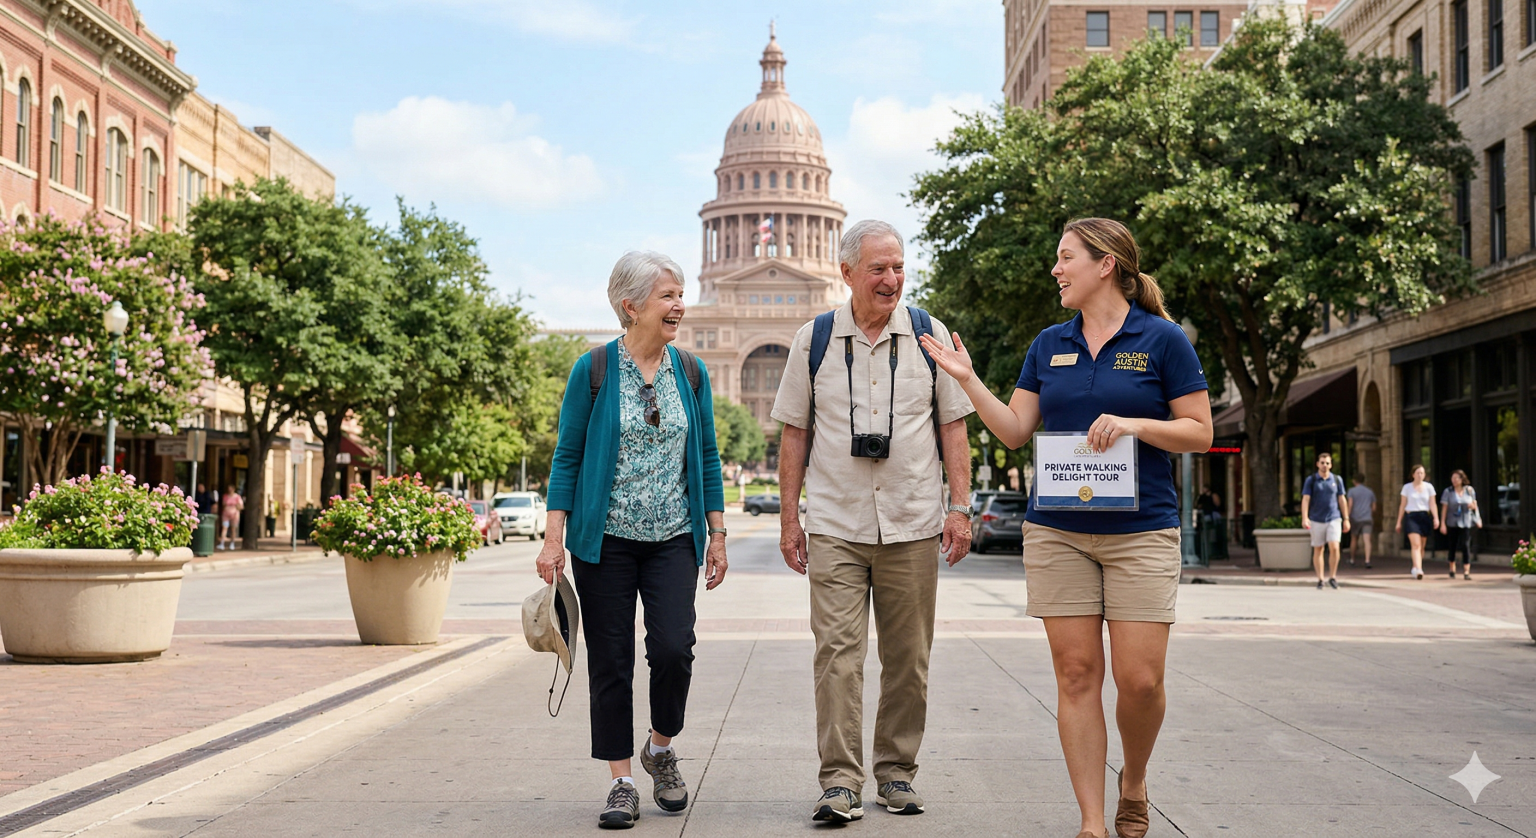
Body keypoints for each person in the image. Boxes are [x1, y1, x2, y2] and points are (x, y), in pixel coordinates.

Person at [919, 218, 1211, 838]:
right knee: (1077, 675)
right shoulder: (1048, 343)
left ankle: (1133, 782)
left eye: (1065, 258)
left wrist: (1134, 425)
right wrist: (967, 379)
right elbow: (1015, 429)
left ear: (1105, 264)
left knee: (1140, 679)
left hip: (1140, 531)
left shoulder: (1162, 340)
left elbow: (1200, 432)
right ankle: (1092, 823)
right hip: (1056, 531)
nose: (1055, 269)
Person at [772, 219, 975, 823]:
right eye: (878, 269)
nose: (891, 279)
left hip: (912, 520)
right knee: (836, 653)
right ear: (846, 273)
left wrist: (959, 507)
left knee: (908, 658)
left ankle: (896, 773)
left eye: (898, 267)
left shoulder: (929, 334)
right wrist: (790, 520)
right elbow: (795, 432)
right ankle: (838, 781)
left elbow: (953, 427)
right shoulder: (813, 340)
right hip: (835, 520)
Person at [538, 251, 728, 830]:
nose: (680, 305)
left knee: (674, 650)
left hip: (674, 537)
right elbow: (567, 457)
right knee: (612, 663)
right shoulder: (592, 369)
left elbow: (710, 458)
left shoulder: (691, 372)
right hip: (606, 542)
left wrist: (717, 535)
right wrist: (553, 539)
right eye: (668, 296)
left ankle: (660, 748)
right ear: (632, 307)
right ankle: (621, 780)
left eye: (680, 294)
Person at [1301, 452, 1350, 590]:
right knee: (1319, 548)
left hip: (1334, 517)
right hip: (1316, 519)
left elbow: (1342, 499)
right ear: (1317, 464)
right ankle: (1320, 578)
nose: (1324, 465)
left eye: (1327, 463)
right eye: (1322, 462)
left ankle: (1333, 577)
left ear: (1331, 465)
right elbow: (1305, 499)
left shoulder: (1337, 479)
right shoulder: (1311, 480)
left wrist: (1346, 518)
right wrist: (1305, 517)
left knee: (1334, 547)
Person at [1394, 465, 1438, 579]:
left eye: (1422, 473)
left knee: (1422, 546)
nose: (1420, 475)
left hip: (1424, 516)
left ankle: (1416, 566)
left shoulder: (1429, 487)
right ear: (1413, 474)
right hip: (1411, 516)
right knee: (1416, 544)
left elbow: (1432, 504)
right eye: (1418, 473)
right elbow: (1402, 505)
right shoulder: (1407, 488)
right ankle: (1418, 569)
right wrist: (1399, 521)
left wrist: (1436, 518)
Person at [1439, 469, 1479, 580]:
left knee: (1465, 545)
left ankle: (1466, 571)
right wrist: (1442, 523)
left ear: (1462, 479)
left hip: (1466, 521)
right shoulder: (1448, 491)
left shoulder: (1469, 490)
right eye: (1453, 478)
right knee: (1452, 545)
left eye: (1457, 478)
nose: (1454, 480)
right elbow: (1444, 508)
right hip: (1452, 522)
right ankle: (1452, 568)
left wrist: (1472, 506)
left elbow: (1475, 504)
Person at [1346, 474, 1376, 568]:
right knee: (1367, 540)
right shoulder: (1370, 491)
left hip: (1355, 518)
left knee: (1354, 538)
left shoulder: (1351, 491)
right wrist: (1368, 512)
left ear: (1354, 481)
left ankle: (1352, 559)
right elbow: (1374, 507)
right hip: (1367, 518)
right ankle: (1367, 560)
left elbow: (1350, 505)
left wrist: (1347, 517)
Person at [217, 484, 242, 551]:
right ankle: (222, 543)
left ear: (233, 489)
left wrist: (236, 506)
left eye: (231, 488)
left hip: (235, 515)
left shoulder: (237, 497)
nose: (229, 490)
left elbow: (241, 506)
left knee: (233, 529)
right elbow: (223, 504)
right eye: (229, 488)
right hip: (226, 514)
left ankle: (232, 544)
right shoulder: (225, 496)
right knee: (224, 528)